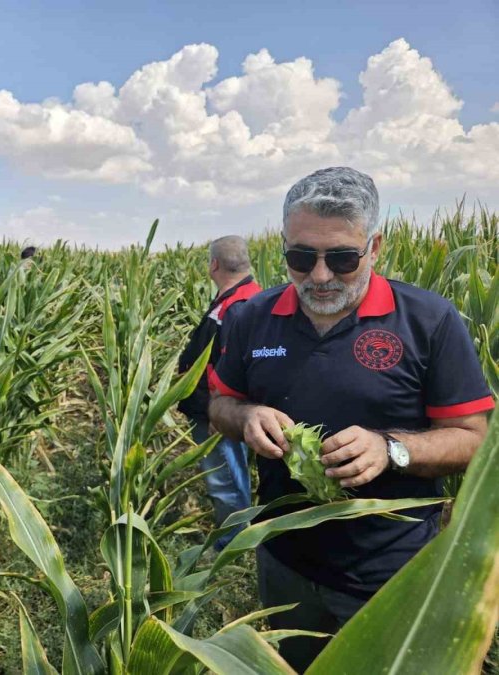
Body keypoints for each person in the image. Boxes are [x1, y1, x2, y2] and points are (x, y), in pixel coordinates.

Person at [208, 167, 493, 671]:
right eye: (300, 257)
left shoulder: (428, 320)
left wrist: (391, 449)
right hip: (284, 557)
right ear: (283, 247)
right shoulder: (251, 317)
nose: (319, 276)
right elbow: (220, 405)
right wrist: (246, 416)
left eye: (341, 258)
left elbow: (473, 440)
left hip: (391, 568)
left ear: (374, 246)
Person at [178, 236, 262, 549]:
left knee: (224, 474)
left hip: (217, 410)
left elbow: (228, 361)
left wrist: (218, 410)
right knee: (229, 469)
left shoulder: (237, 306)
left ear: (214, 265)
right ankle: (236, 534)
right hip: (218, 407)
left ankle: (233, 542)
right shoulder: (241, 297)